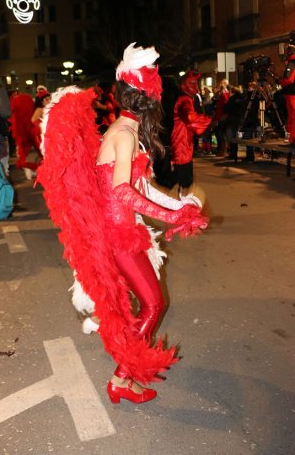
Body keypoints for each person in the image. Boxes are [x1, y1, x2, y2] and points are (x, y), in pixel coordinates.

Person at [38, 42, 208, 404]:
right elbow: (123, 194)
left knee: (148, 304)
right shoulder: (125, 135)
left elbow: (141, 186)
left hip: (122, 233)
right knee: (153, 305)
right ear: (149, 98)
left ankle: (125, 376)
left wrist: (180, 205)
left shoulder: (122, 130)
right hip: (120, 236)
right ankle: (122, 377)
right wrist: (172, 216)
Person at [170, 70, 212, 200]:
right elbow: (191, 118)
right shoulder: (184, 100)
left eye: (196, 83)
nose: (196, 86)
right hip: (181, 143)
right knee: (184, 181)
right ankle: (185, 210)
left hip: (183, 142)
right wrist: (210, 121)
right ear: (184, 85)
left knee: (182, 179)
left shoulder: (185, 98)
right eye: (192, 83)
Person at [278, 47, 295, 145]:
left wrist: (280, 81)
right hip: (292, 94)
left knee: (292, 116)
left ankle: (292, 138)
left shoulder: (292, 63)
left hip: (292, 94)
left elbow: (289, 80)